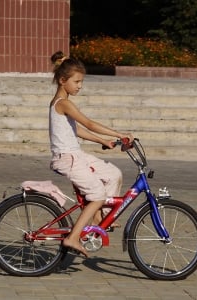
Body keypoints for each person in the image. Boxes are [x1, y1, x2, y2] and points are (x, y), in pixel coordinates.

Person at [49, 51, 133, 258]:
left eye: (81, 82)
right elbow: (89, 123)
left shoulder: (64, 103)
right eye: (77, 81)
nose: (80, 86)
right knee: (97, 195)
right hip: (67, 159)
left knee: (113, 174)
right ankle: (73, 237)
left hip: (76, 155)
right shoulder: (62, 103)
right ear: (63, 80)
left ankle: (101, 218)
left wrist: (103, 141)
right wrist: (119, 134)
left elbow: (77, 130)